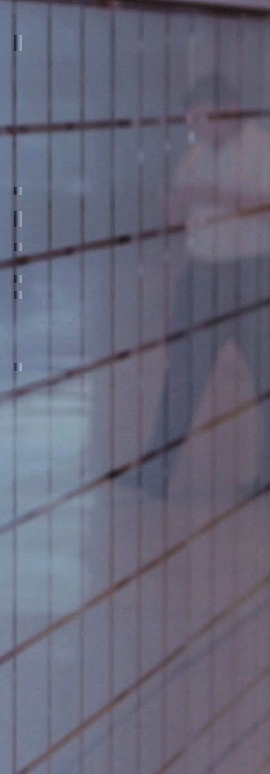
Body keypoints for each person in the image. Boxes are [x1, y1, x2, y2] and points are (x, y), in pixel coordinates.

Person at [122, 74, 270, 498]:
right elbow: (177, 218)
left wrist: (215, 194)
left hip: (254, 275)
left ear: (230, 110)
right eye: (193, 120)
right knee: (183, 375)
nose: (198, 128)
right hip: (202, 274)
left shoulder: (262, 149)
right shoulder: (196, 155)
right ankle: (155, 474)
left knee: (265, 377)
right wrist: (173, 202)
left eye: (204, 118)